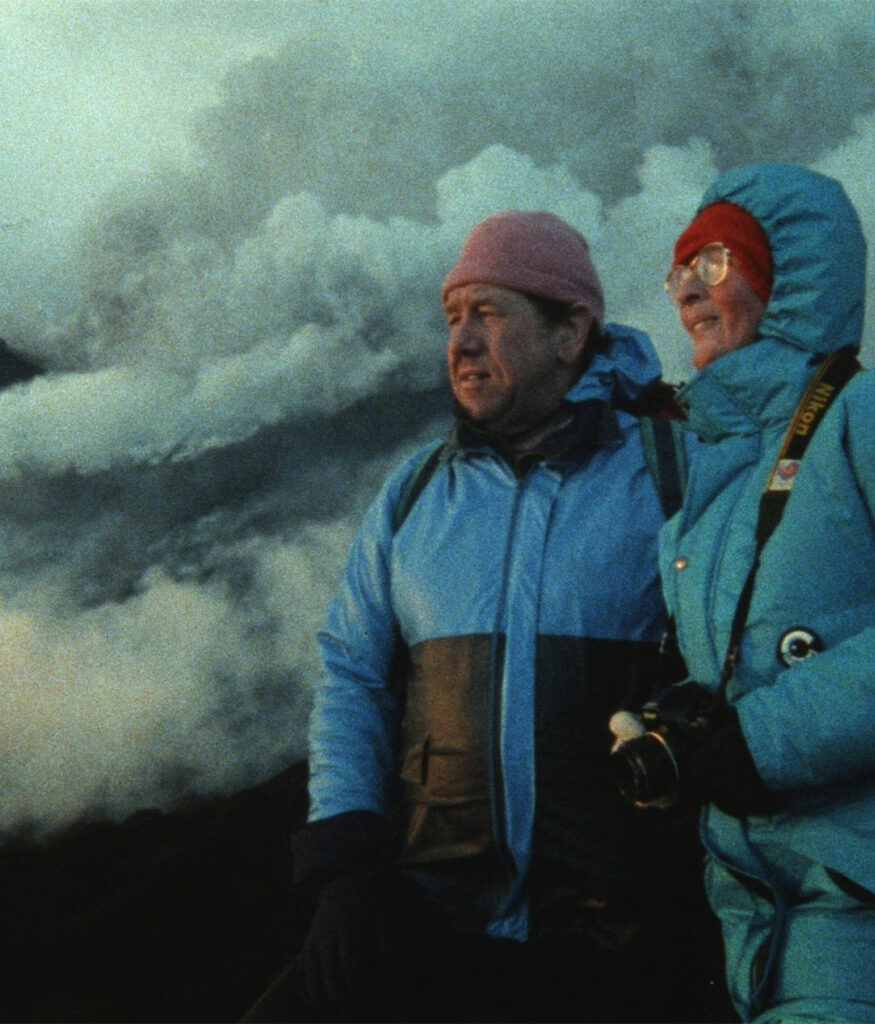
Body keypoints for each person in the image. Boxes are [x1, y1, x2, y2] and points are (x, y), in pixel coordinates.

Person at [244, 210, 728, 1022]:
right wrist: (346, 867)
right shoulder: (414, 492)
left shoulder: (673, 474)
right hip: (432, 920)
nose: (460, 342)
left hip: (623, 946)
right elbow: (353, 673)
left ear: (570, 331)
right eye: (452, 318)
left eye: (490, 313)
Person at [632, 162, 875, 1022]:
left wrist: (762, 739)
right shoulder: (709, 503)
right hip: (761, 939)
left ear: (788, 277)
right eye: (676, 271)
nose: (686, 290)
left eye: (712, 263)